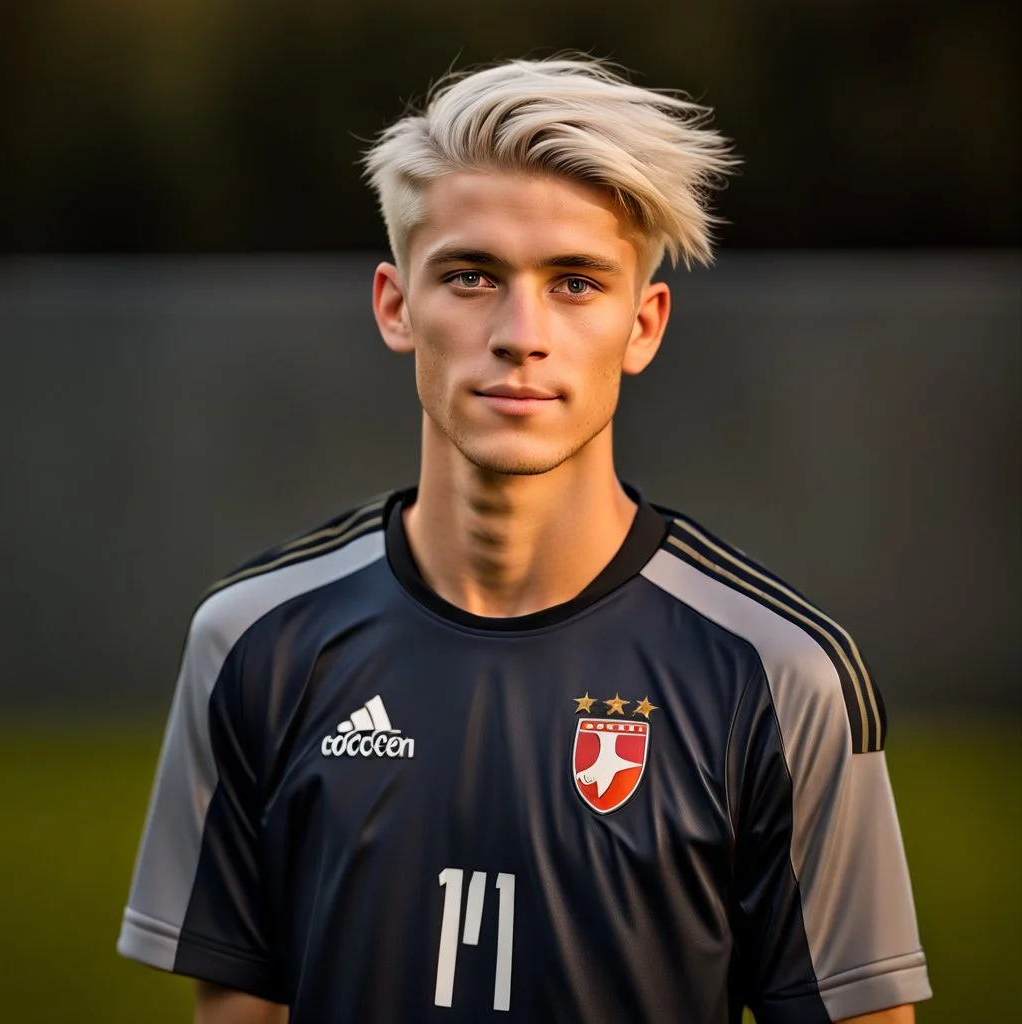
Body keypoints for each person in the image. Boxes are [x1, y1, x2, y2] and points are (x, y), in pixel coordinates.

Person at [117, 57, 931, 1024]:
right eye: (470, 275)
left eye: (577, 283)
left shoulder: (785, 677)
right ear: (395, 305)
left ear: (644, 324)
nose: (521, 332)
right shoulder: (250, 642)